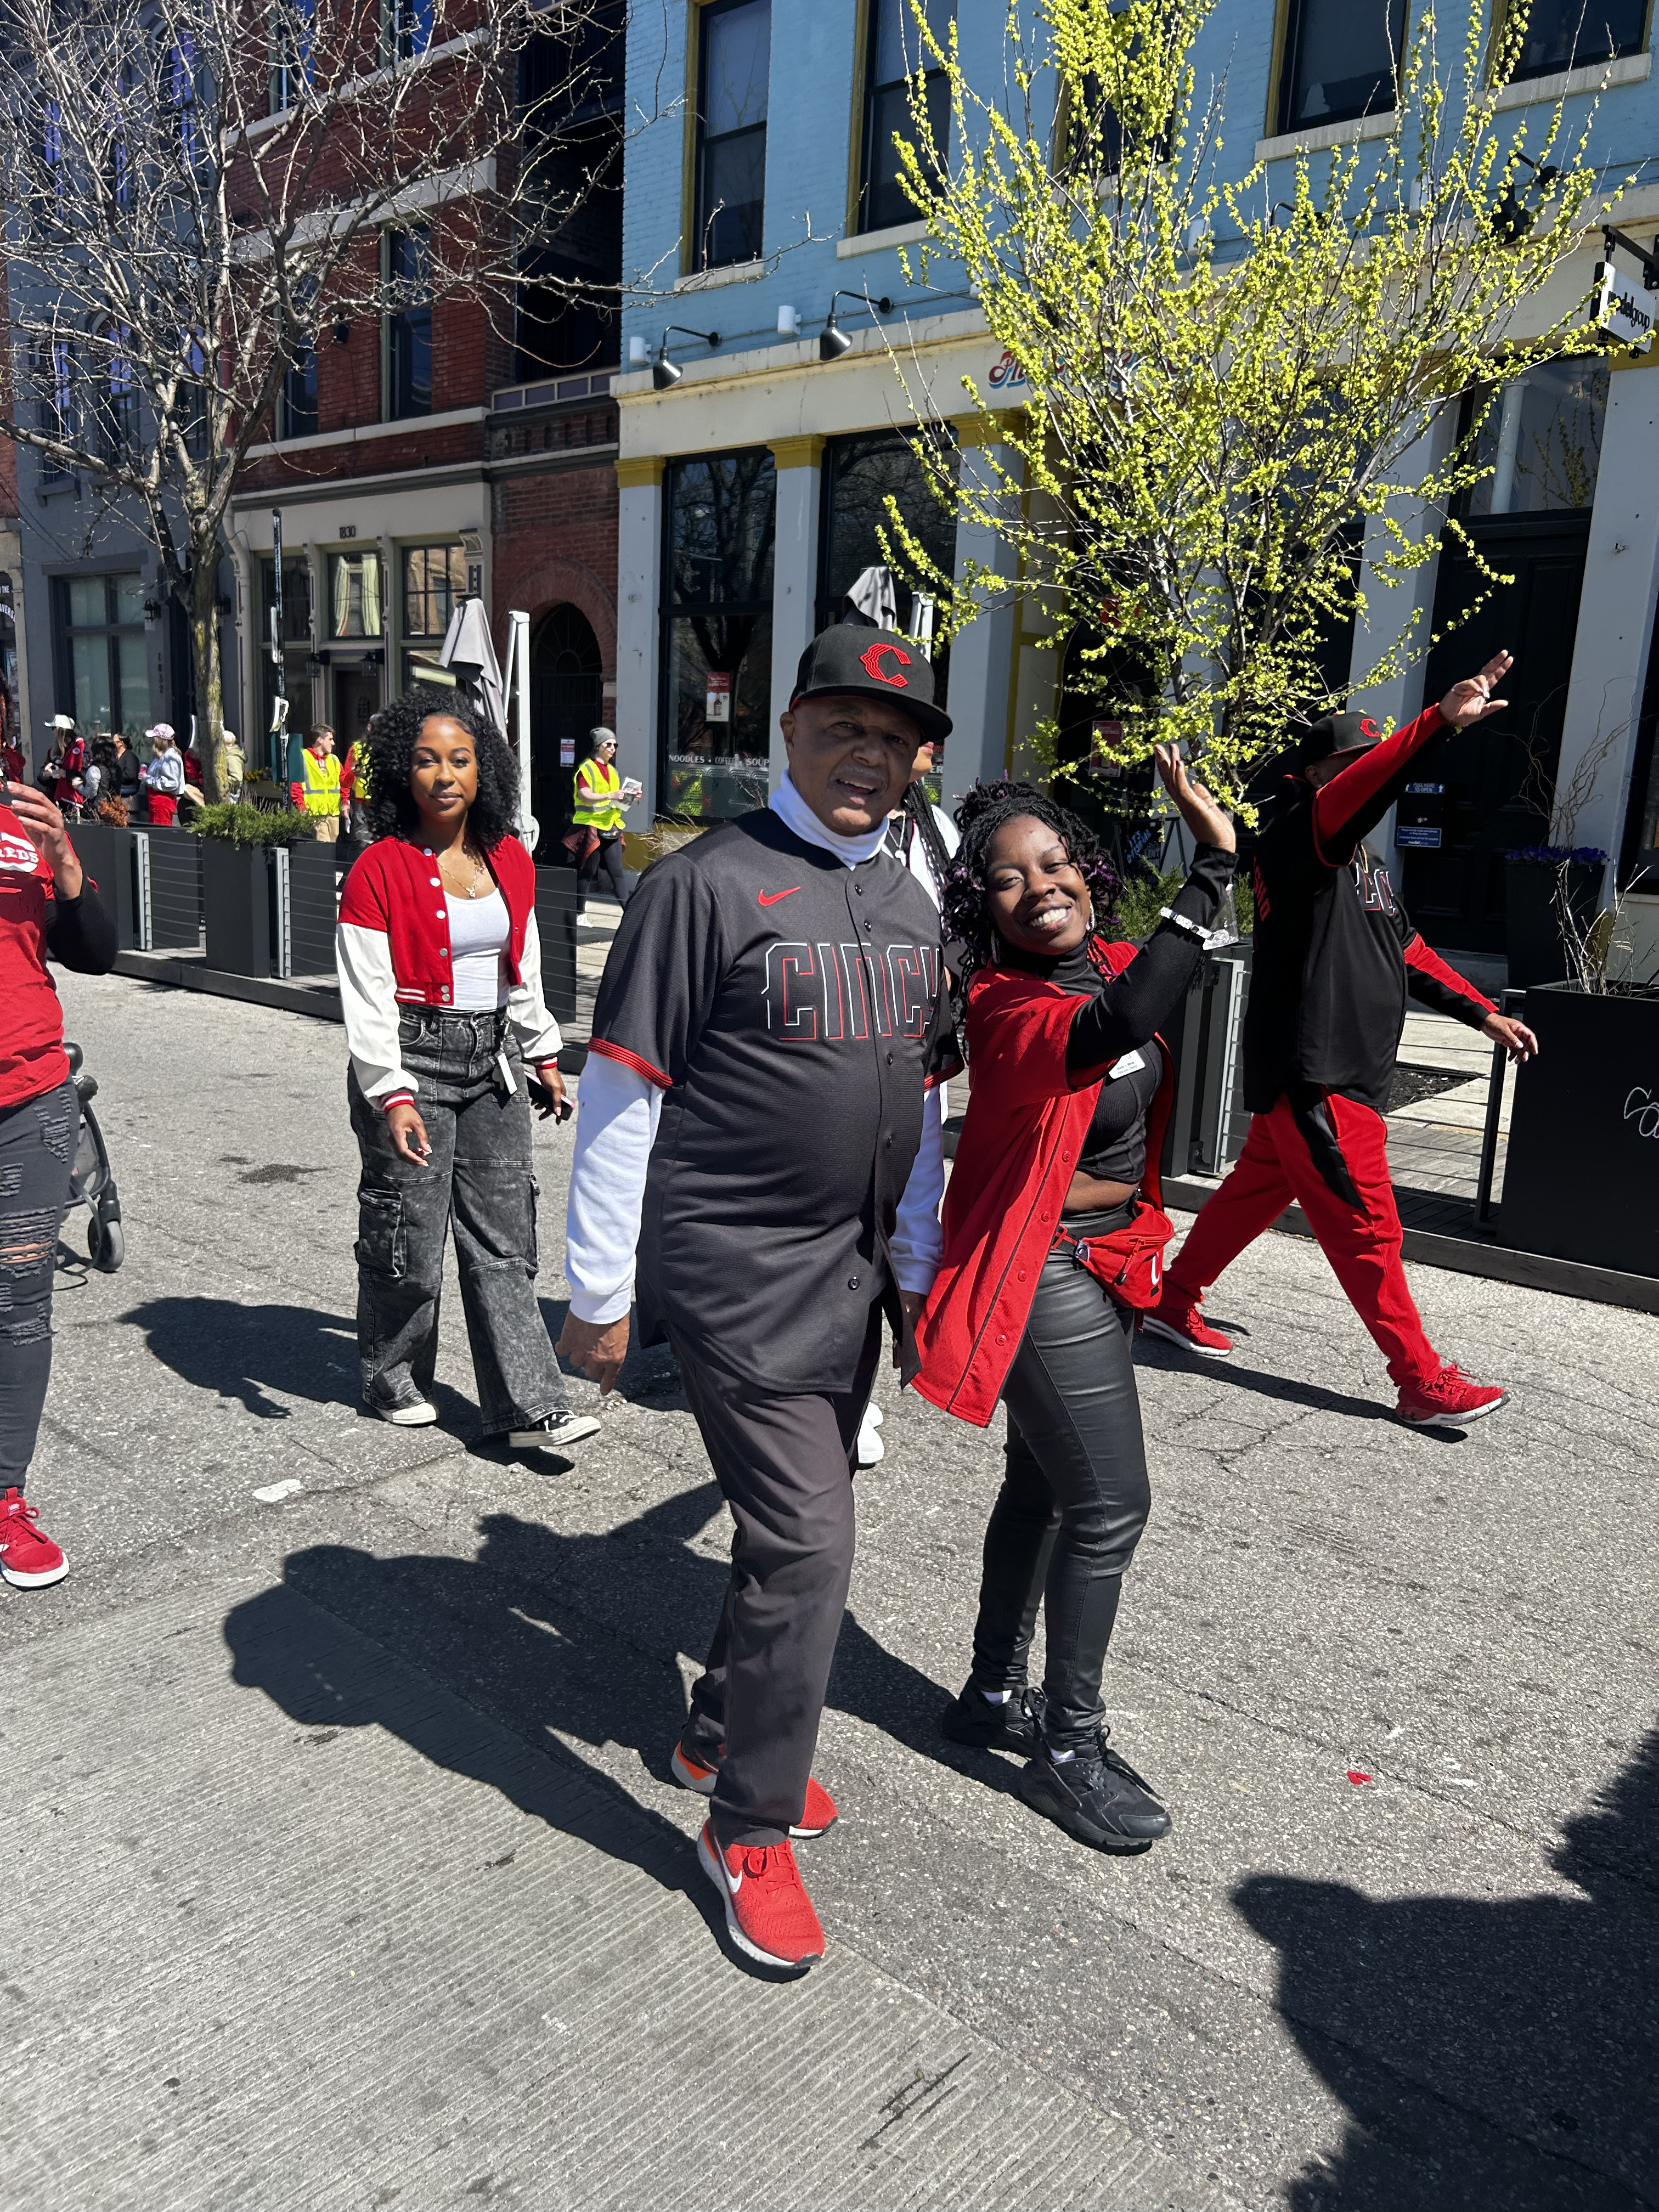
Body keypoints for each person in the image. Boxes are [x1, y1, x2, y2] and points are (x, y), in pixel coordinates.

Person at [560, 623, 958, 1972]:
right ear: (788, 730)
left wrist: (912, 1275)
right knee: (811, 1545)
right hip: (732, 1271)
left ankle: (724, 1722)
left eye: (897, 741)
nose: (871, 755)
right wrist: (598, 1294)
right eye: (846, 726)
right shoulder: (705, 887)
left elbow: (917, 1108)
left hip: (848, 1282)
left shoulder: (910, 905)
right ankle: (747, 1827)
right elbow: (619, 1093)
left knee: (797, 1525)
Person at [915, 759, 1235, 1852]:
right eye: (1006, 879)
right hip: (1042, 1271)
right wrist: (1212, 871)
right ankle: (1066, 1749)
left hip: (1108, 1261)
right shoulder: (1004, 1006)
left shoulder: (1098, 960)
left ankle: (993, 1695)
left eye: (1054, 863)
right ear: (979, 906)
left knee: (1045, 1489)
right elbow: (1125, 1020)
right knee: (1111, 1505)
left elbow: (1141, 1003)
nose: (1038, 885)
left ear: (1090, 875)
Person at [1145, 655, 1538, 1428]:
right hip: (1317, 1074)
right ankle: (1421, 1378)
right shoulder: (1301, 836)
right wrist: (1433, 728)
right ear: (1319, 773)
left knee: (1252, 1194)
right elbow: (1362, 791)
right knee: (1369, 1230)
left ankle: (1172, 1299)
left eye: (1370, 760)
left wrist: (1481, 1013)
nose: (1366, 774)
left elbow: (1408, 948)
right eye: (1351, 764)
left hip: (1337, 1073)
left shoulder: (1365, 863)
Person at [334, 688, 600, 1455]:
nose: (444, 775)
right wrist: (390, 1093)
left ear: (485, 772)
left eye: (460, 759)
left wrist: (544, 1054)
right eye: (426, 760)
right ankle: (390, 1374)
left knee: (504, 1238)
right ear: (400, 772)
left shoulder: (510, 859)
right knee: (408, 1238)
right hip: (410, 1062)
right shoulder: (379, 869)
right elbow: (368, 993)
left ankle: (528, 1404)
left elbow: (526, 972)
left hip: (493, 1067)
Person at [0, 763, 118, 1589]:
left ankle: (6, 1499)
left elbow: (96, 954)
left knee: (20, 1302)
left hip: (29, 1101)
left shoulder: (24, 828)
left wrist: (68, 871)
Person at [856, 719, 961, 1470]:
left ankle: (902, 1335)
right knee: (849, 1217)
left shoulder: (937, 831)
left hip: (920, 1049)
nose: (926, 753)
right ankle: (847, 1390)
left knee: (913, 1207)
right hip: (844, 1054)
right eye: (915, 739)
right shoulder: (843, 827)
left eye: (919, 742)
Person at [568, 727, 634, 913]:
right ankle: (580, 913)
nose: (613, 748)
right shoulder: (586, 769)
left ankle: (629, 914)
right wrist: (611, 795)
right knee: (588, 873)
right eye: (609, 744)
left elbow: (616, 802)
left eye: (615, 745)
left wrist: (630, 797)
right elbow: (585, 796)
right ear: (599, 746)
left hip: (611, 827)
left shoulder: (613, 771)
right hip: (591, 826)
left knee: (618, 874)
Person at [294, 723, 343, 842]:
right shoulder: (302, 757)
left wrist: (353, 773)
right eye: (330, 739)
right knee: (324, 847)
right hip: (315, 814)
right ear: (320, 740)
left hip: (333, 814)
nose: (333, 743)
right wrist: (301, 807)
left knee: (332, 848)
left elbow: (344, 783)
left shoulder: (334, 760)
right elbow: (296, 786)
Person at [142, 723, 185, 825]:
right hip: (157, 801)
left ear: (159, 740)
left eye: (155, 738)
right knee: (155, 831)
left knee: (160, 832)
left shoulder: (171, 757)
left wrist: (148, 779)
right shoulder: (163, 755)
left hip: (162, 801)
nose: (152, 741)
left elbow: (171, 783)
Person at [111, 732, 141, 811]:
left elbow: (130, 775)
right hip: (117, 786)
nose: (112, 744)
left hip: (128, 787)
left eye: (114, 742)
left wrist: (113, 776)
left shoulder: (130, 757)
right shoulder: (114, 756)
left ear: (121, 743)